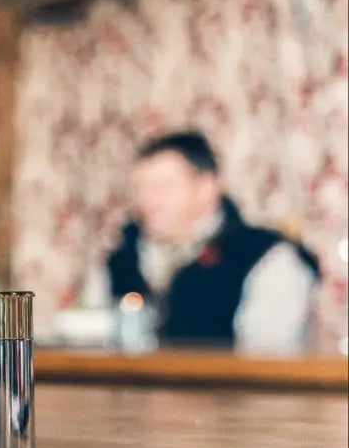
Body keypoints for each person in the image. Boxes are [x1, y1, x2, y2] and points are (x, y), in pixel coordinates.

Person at [107, 131, 320, 354]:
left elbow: (266, 363)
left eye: (163, 187)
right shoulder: (122, 257)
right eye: (140, 189)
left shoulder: (266, 258)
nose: (147, 201)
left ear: (207, 188)